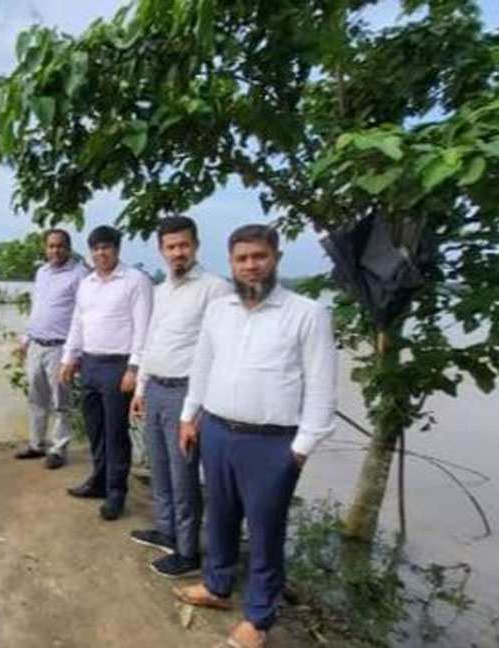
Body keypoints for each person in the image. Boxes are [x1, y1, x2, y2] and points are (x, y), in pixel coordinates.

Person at [176, 224, 337, 648]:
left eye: (259, 256)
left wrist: (300, 449)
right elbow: (202, 366)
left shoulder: (308, 314)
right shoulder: (219, 310)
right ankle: (217, 585)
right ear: (230, 263)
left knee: (266, 531)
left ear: (276, 258)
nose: (250, 266)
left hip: (272, 443)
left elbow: (322, 388)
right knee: (221, 516)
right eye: (241, 258)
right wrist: (189, 416)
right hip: (216, 431)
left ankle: (259, 617)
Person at [128, 216, 232, 578]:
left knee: (183, 474)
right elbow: (151, 340)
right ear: (161, 251)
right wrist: (140, 388)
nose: (177, 253)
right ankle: (165, 530)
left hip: (187, 393)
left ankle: (187, 553)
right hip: (156, 388)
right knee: (159, 466)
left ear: (196, 245)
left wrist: (200, 406)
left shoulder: (215, 288)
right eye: (170, 247)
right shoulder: (161, 290)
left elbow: (223, 349)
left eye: (183, 245)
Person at [59, 225, 152, 520]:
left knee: (115, 434)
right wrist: (68, 358)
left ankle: (116, 493)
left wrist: (134, 368)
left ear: (117, 249)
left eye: (107, 247)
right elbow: (78, 322)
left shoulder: (135, 280)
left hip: (118, 366)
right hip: (89, 363)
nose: (101, 253)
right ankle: (98, 481)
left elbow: (143, 328)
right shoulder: (86, 283)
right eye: (96, 248)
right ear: (91, 252)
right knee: (95, 429)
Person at [14, 229, 89, 468]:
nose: (55, 250)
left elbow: (85, 314)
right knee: (36, 399)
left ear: (69, 248)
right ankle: (36, 445)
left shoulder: (80, 274)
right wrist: (25, 337)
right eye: (51, 246)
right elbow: (37, 308)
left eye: (60, 246)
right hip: (36, 345)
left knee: (61, 402)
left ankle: (58, 450)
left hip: (61, 348)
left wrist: (76, 353)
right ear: (45, 248)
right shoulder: (42, 272)